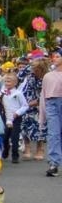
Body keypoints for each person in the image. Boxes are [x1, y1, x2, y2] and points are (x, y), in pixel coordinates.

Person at [18, 57, 46, 160]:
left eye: (36, 68)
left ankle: (40, 148)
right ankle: (27, 147)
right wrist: (29, 66)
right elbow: (19, 76)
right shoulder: (29, 72)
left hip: (39, 102)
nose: (34, 70)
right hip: (25, 100)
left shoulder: (45, 77)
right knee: (24, 124)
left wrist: (35, 103)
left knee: (40, 126)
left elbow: (44, 93)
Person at [0, 71, 27, 163]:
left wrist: (18, 112)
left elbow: (25, 105)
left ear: (15, 83)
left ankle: (15, 155)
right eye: (6, 81)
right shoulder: (3, 92)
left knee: (15, 137)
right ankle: (6, 150)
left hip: (15, 117)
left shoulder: (18, 93)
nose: (7, 83)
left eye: (9, 81)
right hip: (5, 116)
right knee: (5, 136)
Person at [46, 47, 62, 177]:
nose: (54, 58)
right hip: (51, 103)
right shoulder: (48, 75)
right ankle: (54, 163)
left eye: (57, 56)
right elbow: (43, 95)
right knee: (53, 133)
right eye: (53, 56)